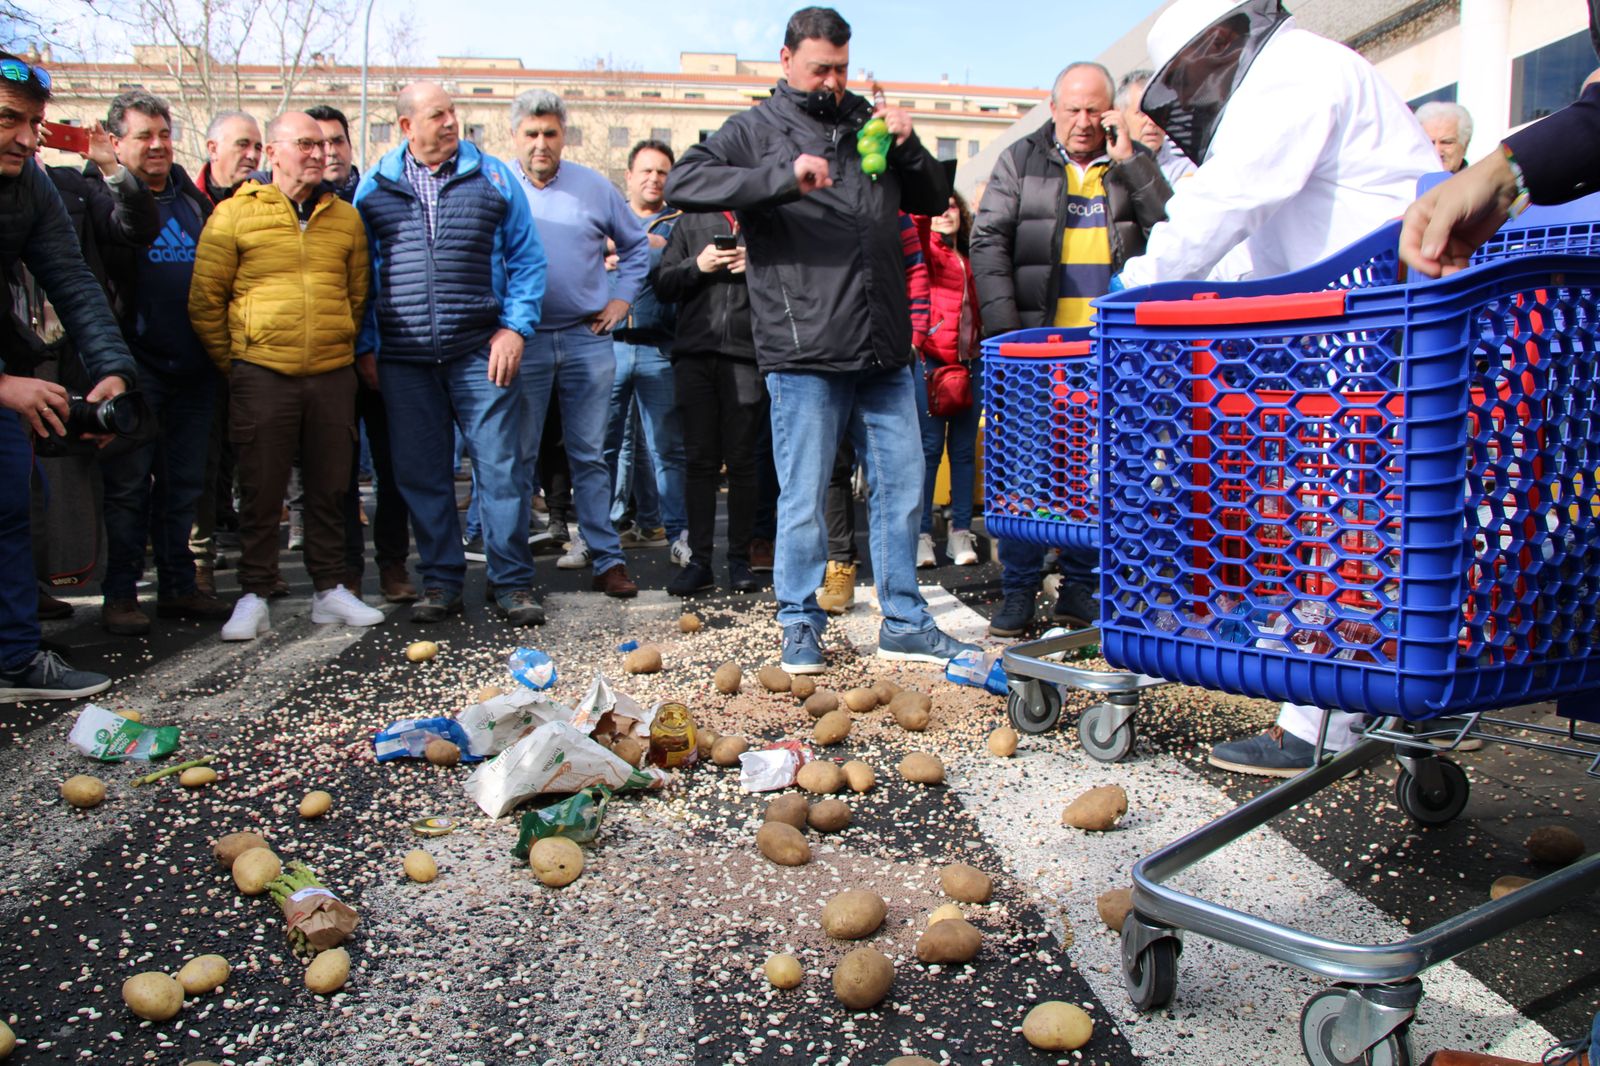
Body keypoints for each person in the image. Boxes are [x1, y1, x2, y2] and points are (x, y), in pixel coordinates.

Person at [1119, 0, 1437, 776]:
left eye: (1190, 73)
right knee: (1356, 515)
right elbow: (1249, 243)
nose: (1191, 92)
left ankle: (1322, 717)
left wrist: (1127, 296)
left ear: (1223, 39)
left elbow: (1219, 210)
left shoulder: (1294, 77)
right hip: (1358, 329)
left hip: (1372, 330)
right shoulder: (1307, 79)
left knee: (1350, 518)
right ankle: (1364, 686)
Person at [666, 6, 977, 672]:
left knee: (902, 487)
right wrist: (780, 179)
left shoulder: (869, 118)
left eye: (841, 66)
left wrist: (910, 141)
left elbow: (928, 198)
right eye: (820, 68)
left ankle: (903, 619)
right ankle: (800, 622)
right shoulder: (757, 129)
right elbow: (684, 181)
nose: (833, 80)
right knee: (803, 495)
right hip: (804, 347)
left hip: (885, 346)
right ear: (786, 62)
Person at [971, 60, 1172, 638]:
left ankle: (1080, 588)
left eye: (1096, 109)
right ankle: (1017, 589)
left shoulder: (1130, 164)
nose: (1085, 122)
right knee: (1026, 476)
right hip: (1035, 352)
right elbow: (988, 243)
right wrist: (1009, 336)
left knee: (1096, 475)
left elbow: (1174, 227)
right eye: (1074, 109)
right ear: (1054, 107)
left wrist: (1132, 158)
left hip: (1111, 354)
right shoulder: (1021, 159)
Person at [354, 82, 547, 625]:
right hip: (403, 356)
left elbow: (528, 261)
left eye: (453, 112)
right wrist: (366, 345)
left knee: (502, 470)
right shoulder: (373, 186)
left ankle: (512, 582)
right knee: (421, 473)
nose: (450, 122)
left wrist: (515, 328)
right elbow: (358, 274)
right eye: (437, 114)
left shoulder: (493, 176)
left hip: (480, 350)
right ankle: (440, 582)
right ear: (406, 127)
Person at [188, 110, 383, 640]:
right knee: (260, 490)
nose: (320, 154)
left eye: (323, 145)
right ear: (273, 153)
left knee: (329, 489)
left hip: (330, 376)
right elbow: (206, 300)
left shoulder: (346, 219)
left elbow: (357, 294)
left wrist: (337, 344)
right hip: (260, 375)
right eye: (305, 144)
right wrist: (241, 362)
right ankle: (253, 593)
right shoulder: (234, 215)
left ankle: (330, 592)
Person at [0, 52, 133, 699]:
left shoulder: (28, 183)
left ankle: (13, 659)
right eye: (7, 119)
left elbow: (75, 282)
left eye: (35, 123)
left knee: (9, 504)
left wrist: (111, 368)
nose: (27, 138)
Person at [93, 89, 235, 636]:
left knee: (184, 485)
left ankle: (179, 587)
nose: (157, 146)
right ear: (114, 142)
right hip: (133, 366)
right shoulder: (98, 196)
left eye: (164, 134)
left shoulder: (194, 202)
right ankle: (121, 594)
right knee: (129, 487)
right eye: (143, 136)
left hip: (194, 367)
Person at [505, 88, 646, 598]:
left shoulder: (594, 187)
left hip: (587, 339)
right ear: (514, 136)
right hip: (523, 341)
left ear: (563, 135)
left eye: (550, 133)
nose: (541, 143)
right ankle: (512, 570)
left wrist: (621, 300)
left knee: (590, 455)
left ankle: (607, 560)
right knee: (518, 456)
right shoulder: (497, 185)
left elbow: (635, 247)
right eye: (532, 134)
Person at [306, 103, 416, 605]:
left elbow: (380, 282)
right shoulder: (292, 203)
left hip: (385, 353)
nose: (327, 152)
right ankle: (345, 573)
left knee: (395, 469)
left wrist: (370, 346)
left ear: (351, 147)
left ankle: (393, 565)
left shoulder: (374, 193)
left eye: (337, 141)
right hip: (326, 361)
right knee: (335, 475)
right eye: (316, 142)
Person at [817, 211, 930, 612]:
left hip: (886, 353)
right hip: (825, 349)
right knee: (831, 468)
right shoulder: (813, 196)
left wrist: (915, 334)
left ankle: (899, 595)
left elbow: (916, 267)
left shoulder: (891, 206)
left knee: (900, 475)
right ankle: (840, 564)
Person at [655, 208, 765, 596]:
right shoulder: (690, 221)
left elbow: (793, 281)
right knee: (699, 461)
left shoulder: (766, 215)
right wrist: (696, 266)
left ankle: (739, 560)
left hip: (748, 355)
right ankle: (700, 561)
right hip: (694, 354)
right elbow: (662, 283)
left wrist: (754, 265)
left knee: (742, 461)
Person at [188, 109, 264, 595]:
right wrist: (225, 358)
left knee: (250, 462)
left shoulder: (265, 204)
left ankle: (258, 569)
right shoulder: (184, 202)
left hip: (256, 362)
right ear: (213, 148)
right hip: (204, 359)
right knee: (200, 466)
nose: (252, 156)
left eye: (258, 146)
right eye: (243, 145)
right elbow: (204, 297)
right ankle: (199, 563)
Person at [606, 140, 688, 564]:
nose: (655, 178)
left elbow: (682, 271)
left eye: (662, 172)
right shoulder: (606, 217)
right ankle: (599, 535)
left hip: (660, 347)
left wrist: (635, 253)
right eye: (647, 171)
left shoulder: (679, 223)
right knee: (604, 447)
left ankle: (678, 534)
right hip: (609, 346)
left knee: (667, 449)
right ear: (629, 176)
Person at [915, 191, 983, 569]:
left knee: (962, 452)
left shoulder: (971, 255)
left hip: (971, 364)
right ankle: (922, 537)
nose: (944, 213)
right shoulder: (928, 250)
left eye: (951, 206)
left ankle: (960, 534)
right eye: (937, 208)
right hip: (930, 364)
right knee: (927, 452)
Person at [1116, 68, 1196, 186]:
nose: (1152, 122)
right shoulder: (1104, 168)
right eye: (1143, 113)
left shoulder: (1185, 171)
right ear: (1120, 115)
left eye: (1158, 112)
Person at [1415, 101, 1472, 174]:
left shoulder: (1482, 184)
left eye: (1446, 142)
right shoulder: (1403, 183)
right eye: (1430, 143)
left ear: (1465, 146)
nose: (1437, 151)